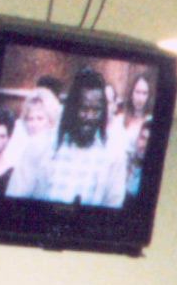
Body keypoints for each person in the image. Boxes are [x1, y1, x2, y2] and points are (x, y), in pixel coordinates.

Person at [27, 66, 129, 206]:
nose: (89, 116)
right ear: (72, 108)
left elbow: (113, 209)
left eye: (96, 110)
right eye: (83, 108)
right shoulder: (41, 144)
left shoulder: (114, 154)